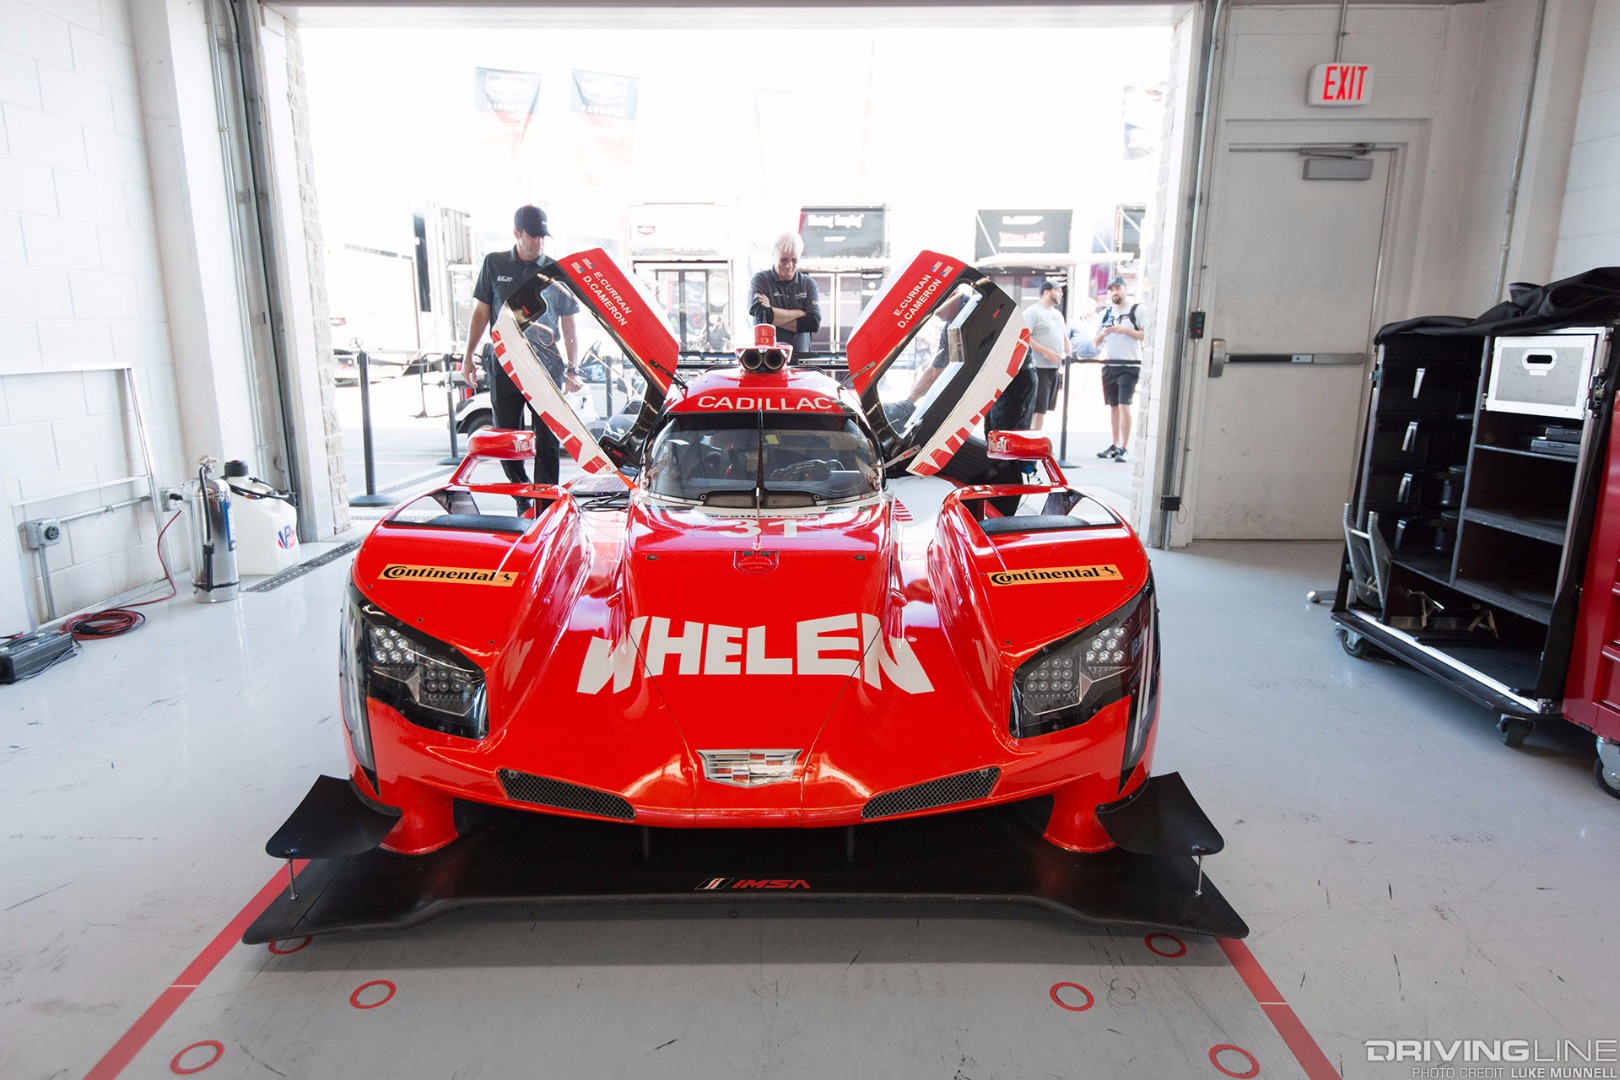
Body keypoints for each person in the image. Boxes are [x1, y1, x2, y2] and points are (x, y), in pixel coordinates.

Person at [460, 204, 581, 504]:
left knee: (548, 440)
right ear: (517, 232)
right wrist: (468, 356)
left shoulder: (555, 270)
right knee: (506, 439)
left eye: (543, 236)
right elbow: (481, 312)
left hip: (546, 364)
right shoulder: (494, 264)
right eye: (533, 235)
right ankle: (522, 494)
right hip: (504, 363)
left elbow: (568, 322)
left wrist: (572, 368)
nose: (539, 242)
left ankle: (545, 505)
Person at [1093, 275, 1146, 462]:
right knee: (1113, 406)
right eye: (1111, 289)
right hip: (1110, 364)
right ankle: (1115, 444)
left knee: (1124, 405)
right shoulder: (1106, 313)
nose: (1114, 292)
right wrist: (1104, 332)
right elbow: (1096, 342)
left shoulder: (1137, 310)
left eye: (1118, 288)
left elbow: (1146, 335)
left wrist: (1123, 330)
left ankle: (1124, 446)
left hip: (1129, 365)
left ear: (1125, 289)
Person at [748, 232, 821, 356]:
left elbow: (813, 323)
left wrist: (772, 314)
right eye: (784, 260)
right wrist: (800, 314)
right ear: (773, 255)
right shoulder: (760, 281)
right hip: (767, 360)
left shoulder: (808, 284)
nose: (789, 266)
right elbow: (762, 315)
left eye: (794, 260)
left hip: (800, 361)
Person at [1023, 280, 1067, 430]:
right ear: (1047, 292)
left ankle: (1036, 436)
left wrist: (1068, 353)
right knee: (1035, 407)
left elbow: (1064, 337)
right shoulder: (1032, 312)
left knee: (1043, 409)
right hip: (1037, 367)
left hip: (1053, 368)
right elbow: (1024, 337)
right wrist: (1045, 351)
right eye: (1058, 290)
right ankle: (1029, 437)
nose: (1061, 294)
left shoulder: (1058, 314)